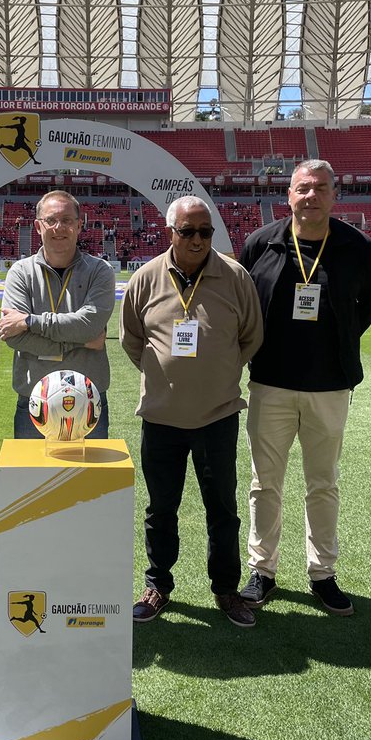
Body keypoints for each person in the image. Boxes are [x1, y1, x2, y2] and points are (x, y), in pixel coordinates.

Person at [237, 160, 371, 617]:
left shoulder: (357, 246)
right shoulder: (262, 243)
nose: (311, 196)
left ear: (333, 195)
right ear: (289, 196)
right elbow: (243, 304)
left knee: (323, 484)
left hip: (329, 386)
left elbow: (369, 304)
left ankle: (322, 573)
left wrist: (337, 345)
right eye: (303, 188)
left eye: (320, 188)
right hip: (270, 383)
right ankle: (262, 570)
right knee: (266, 484)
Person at [120, 196, 263, 628]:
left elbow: (251, 337)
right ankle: (158, 585)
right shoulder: (145, 279)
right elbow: (131, 340)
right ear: (171, 233)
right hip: (161, 419)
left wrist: (216, 373)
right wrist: (166, 377)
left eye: (205, 231)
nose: (198, 239)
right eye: (188, 231)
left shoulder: (235, 276)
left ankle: (226, 590)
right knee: (161, 509)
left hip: (217, 417)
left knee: (223, 509)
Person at [0, 190, 115, 438]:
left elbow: (89, 324)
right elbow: (14, 337)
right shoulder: (20, 272)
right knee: (32, 477)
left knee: (90, 477)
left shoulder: (100, 270)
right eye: (50, 220)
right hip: (34, 401)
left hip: (89, 399)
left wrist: (29, 321)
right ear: (38, 226)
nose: (58, 227)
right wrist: (81, 341)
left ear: (79, 225)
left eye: (67, 220)